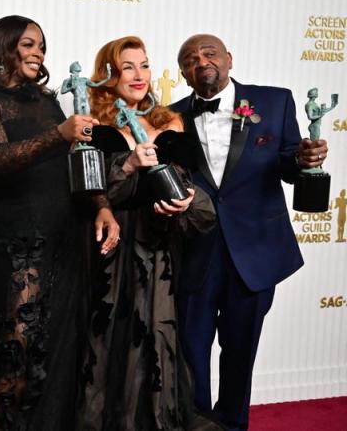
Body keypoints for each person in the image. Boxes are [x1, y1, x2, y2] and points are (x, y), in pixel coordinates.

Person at [0, 15, 120, 430]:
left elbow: (77, 162)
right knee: (15, 344)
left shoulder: (49, 100)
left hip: (65, 232)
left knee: (58, 345)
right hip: (17, 236)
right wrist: (59, 134)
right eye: (29, 44)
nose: (38, 53)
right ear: (5, 46)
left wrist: (102, 205)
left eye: (42, 46)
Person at [172, 34, 328, 430]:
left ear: (229, 59)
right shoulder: (169, 117)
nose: (201, 61)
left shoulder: (275, 102)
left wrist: (305, 160)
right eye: (190, 59)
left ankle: (233, 424)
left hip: (255, 251)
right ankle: (197, 423)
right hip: (195, 251)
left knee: (241, 350)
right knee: (191, 349)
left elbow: (289, 167)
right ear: (185, 74)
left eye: (209, 53)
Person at [79, 36, 217, 430]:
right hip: (112, 245)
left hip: (161, 245)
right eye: (127, 67)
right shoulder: (92, 123)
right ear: (108, 74)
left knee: (158, 335)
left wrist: (185, 202)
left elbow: (193, 184)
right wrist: (127, 166)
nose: (139, 75)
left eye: (144, 65)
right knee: (110, 338)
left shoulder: (170, 120)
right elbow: (83, 188)